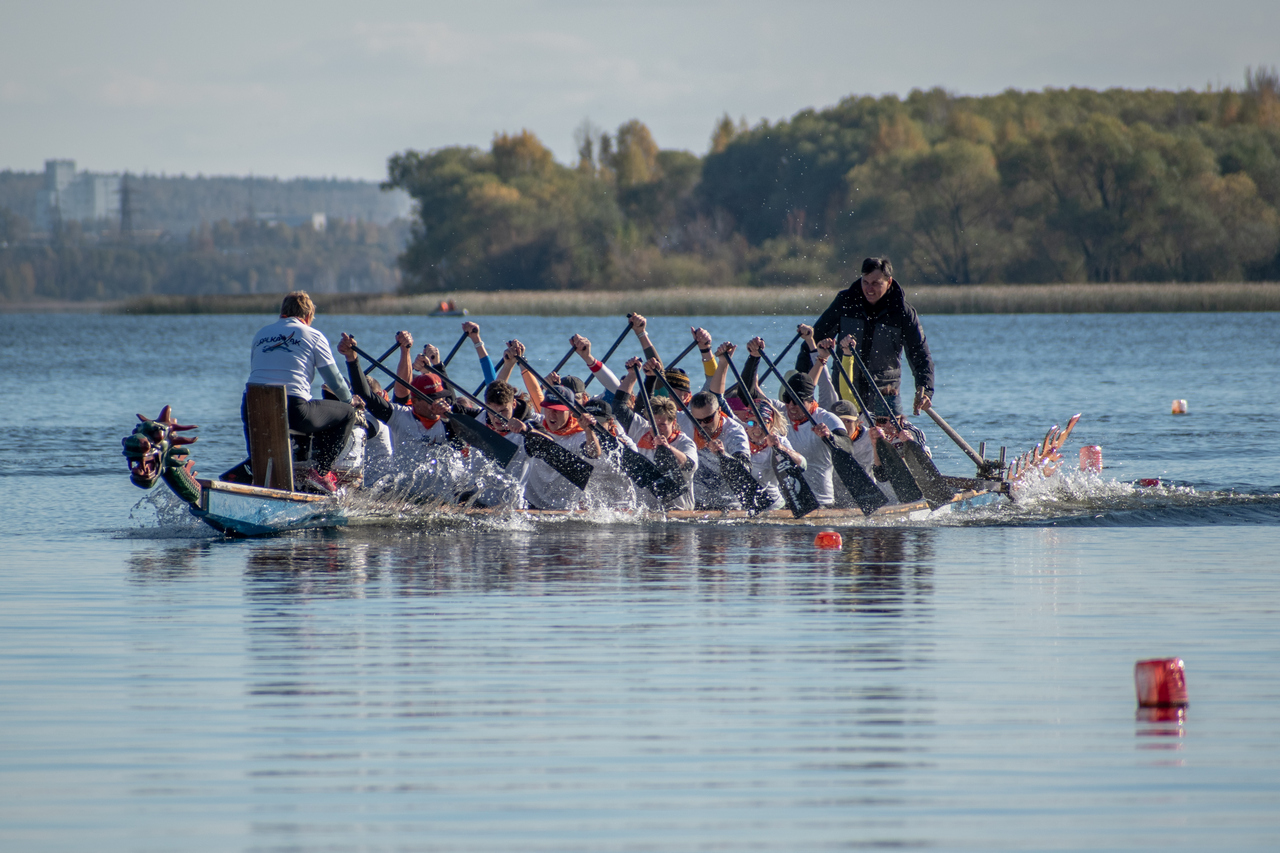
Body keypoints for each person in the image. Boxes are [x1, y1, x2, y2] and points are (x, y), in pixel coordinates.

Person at [242, 291, 356, 493]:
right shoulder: (313, 335)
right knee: (347, 414)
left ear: (282, 313)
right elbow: (335, 381)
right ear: (308, 316)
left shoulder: (261, 334)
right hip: (293, 409)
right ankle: (321, 473)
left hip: (252, 406)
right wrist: (350, 400)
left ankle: (256, 467)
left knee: (291, 413)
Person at [796, 256, 935, 418]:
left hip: (884, 393)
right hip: (844, 387)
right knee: (843, 436)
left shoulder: (903, 312)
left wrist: (925, 390)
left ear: (889, 282)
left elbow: (920, 355)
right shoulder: (845, 302)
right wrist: (800, 387)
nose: (869, 289)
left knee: (883, 439)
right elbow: (811, 342)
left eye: (876, 283)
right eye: (865, 282)